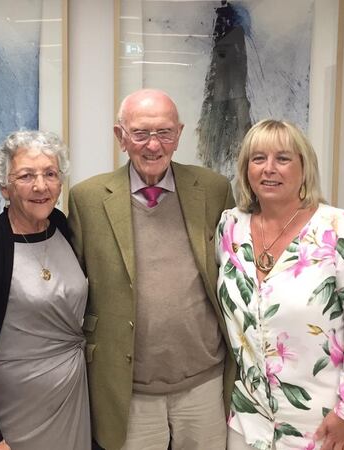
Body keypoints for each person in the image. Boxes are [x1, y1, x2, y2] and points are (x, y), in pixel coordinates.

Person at [68, 89, 235, 450]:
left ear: (179, 134)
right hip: (128, 389)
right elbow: (74, 291)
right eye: (141, 133)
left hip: (203, 384)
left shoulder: (213, 190)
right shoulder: (87, 199)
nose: (153, 145)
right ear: (121, 137)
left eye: (165, 133)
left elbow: (235, 275)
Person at [216, 119, 344, 450]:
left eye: (283, 158)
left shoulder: (339, 228)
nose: (269, 169)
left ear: (303, 167)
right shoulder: (230, 228)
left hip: (327, 424)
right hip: (248, 421)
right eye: (258, 159)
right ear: (246, 169)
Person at [0, 131, 90, 450]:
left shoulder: (62, 226)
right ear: (5, 186)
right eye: (26, 175)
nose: (41, 186)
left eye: (50, 174)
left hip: (71, 399)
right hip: (13, 410)